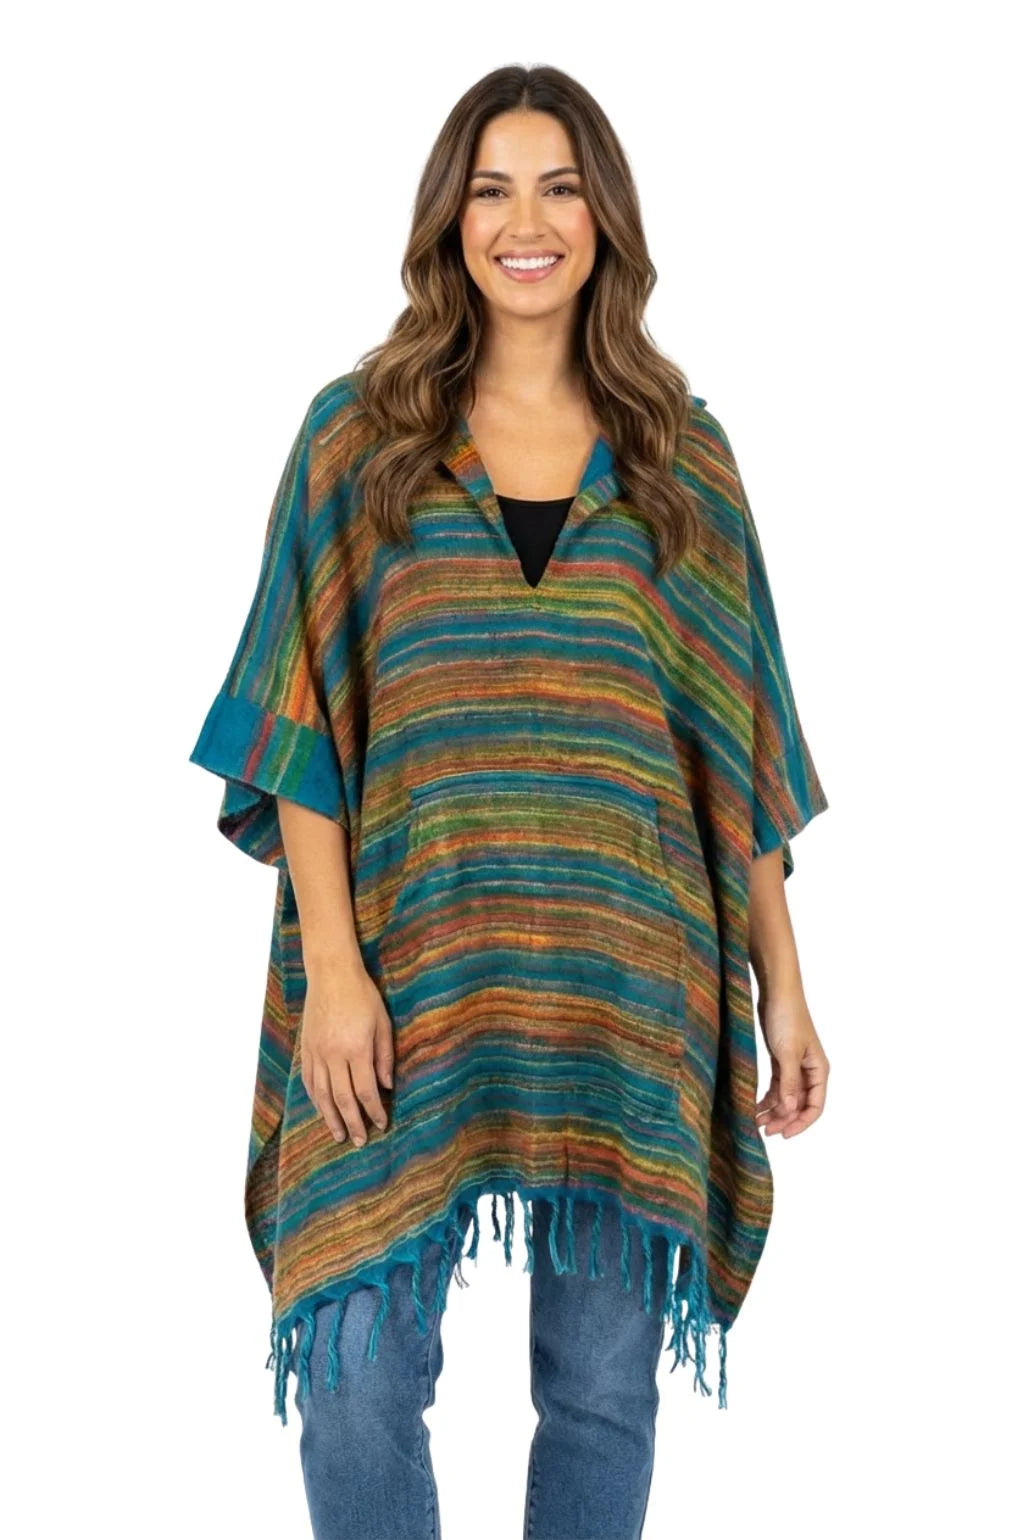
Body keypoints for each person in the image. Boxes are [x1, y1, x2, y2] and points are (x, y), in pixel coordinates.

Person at [188, 63, 830, 1540]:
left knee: (601, 1396)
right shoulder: (358, 439)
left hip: (629, 988)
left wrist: (785, 993)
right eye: (490, 190)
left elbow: (735, 755)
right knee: (356, 1378)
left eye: (557, 188)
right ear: (448, 219)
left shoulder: (681, 459)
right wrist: (334, 973)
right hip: (403, 977)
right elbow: (299, 720)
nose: (523, 223)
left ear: (605, 221)